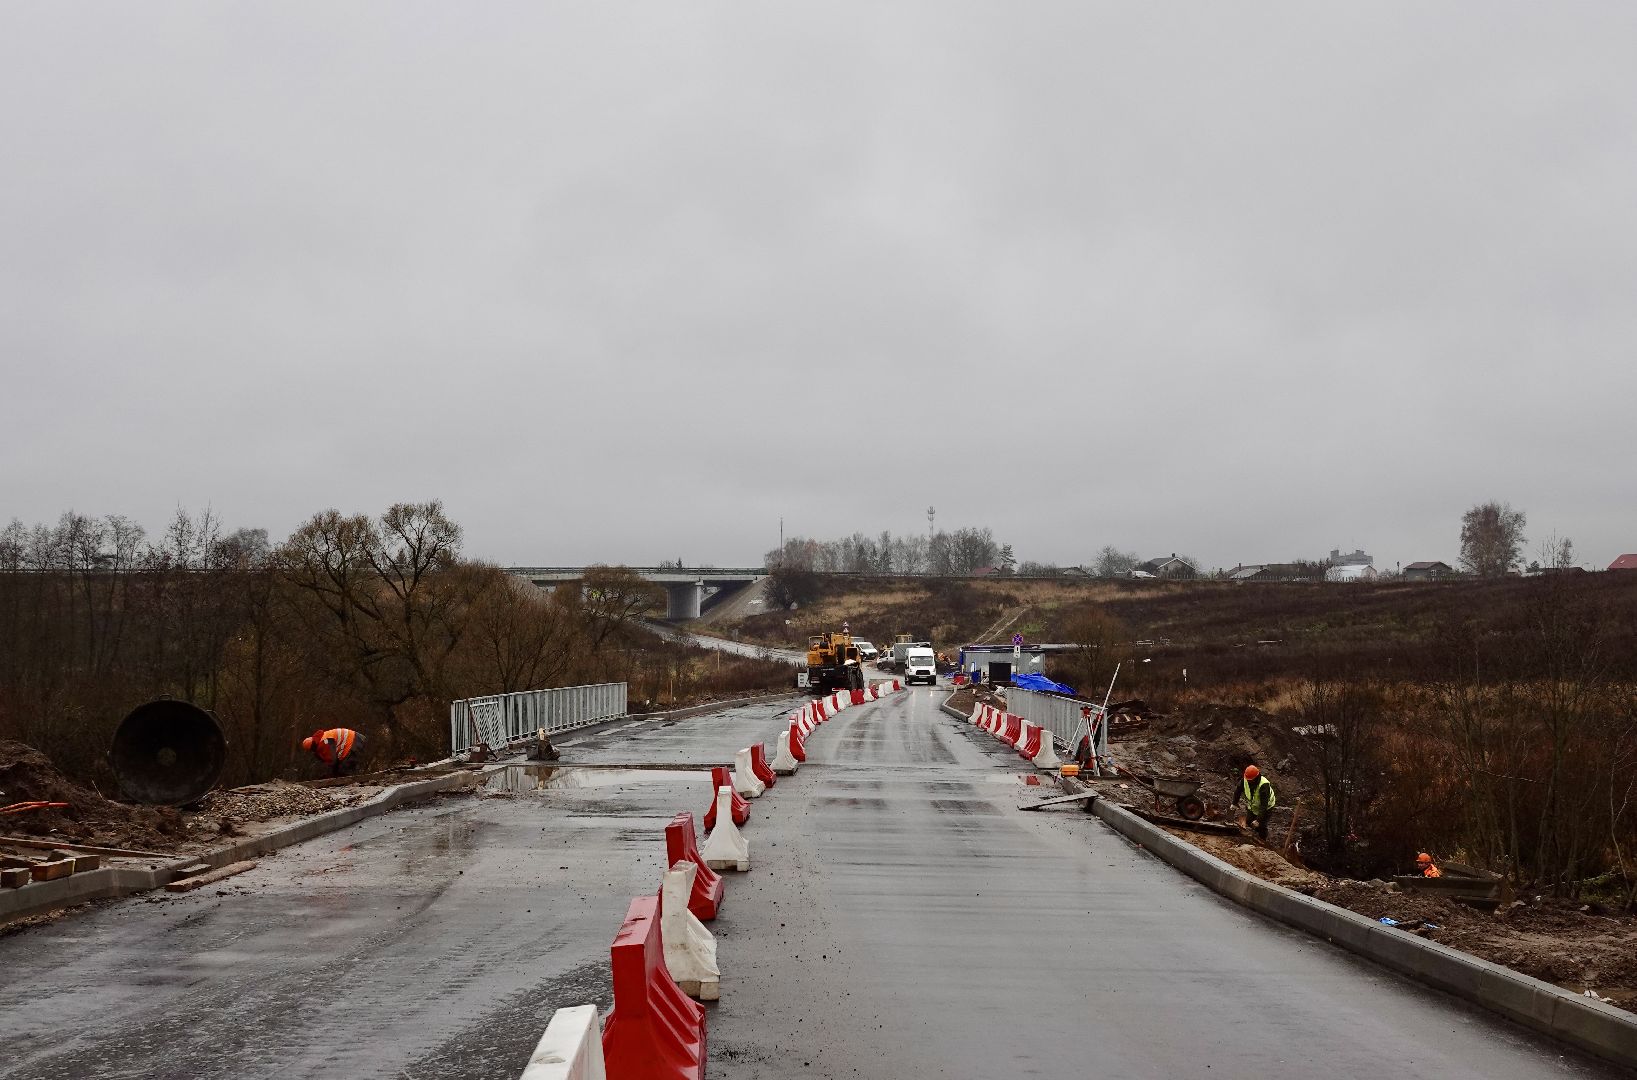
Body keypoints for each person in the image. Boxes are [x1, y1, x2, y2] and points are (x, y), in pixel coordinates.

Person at [1232, 764, 1277, 839]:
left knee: (1261, 826)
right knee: (1249, 821)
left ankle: (1262, 841)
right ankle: (1249, 837)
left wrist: (1258, 820)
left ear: (1256, 778)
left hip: (1267, 807)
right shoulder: (1245, 780)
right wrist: (1234, 803)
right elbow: (1238, 791)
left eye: (1250, 780)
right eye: (1248, 780)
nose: (1248, 781)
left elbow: (1264, 805)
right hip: (1253, 805)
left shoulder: (1264, 785)